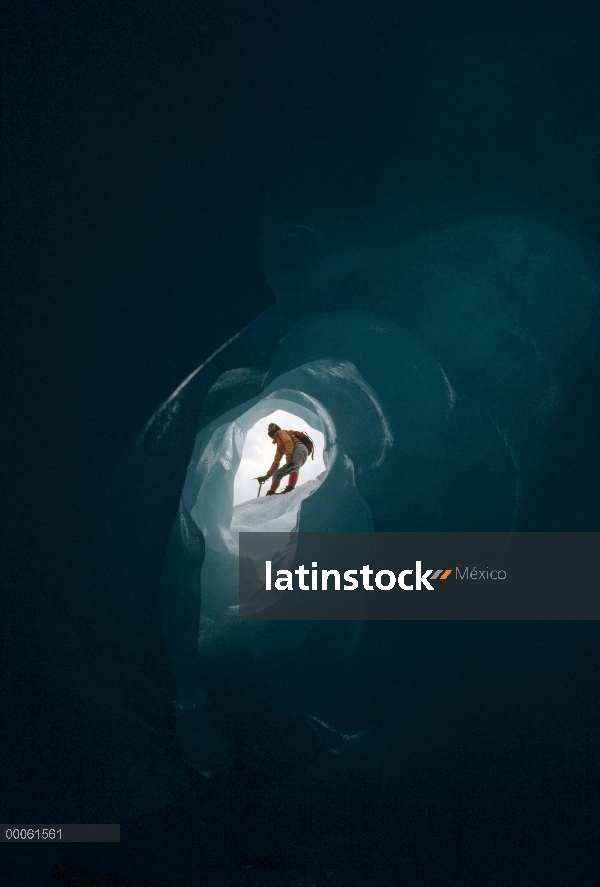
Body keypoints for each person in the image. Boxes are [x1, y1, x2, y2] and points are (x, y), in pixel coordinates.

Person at [257, 423, 309, 495]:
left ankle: (290, 488)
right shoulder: (279, 445)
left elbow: (289, 443)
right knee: (277, 474)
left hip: (299, 448)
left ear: (277, 428)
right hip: (294, 453)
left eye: (272, 426)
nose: (270, 428)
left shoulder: (281, 432)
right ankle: (271, 493)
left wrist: (288, 458)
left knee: (292, 466)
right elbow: (276, 461)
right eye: (268, 428)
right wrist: (267, 476)